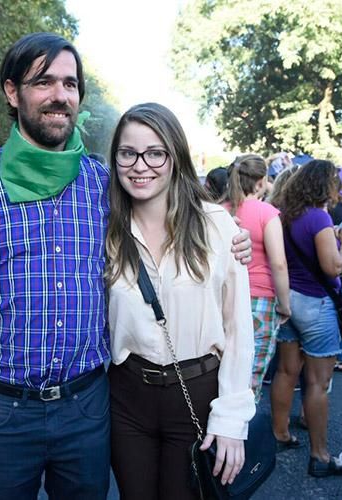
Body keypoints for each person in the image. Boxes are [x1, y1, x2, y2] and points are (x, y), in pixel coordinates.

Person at [0, 33, 252, 500]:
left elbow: (173, 217)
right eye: (44, 82)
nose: (60, 95)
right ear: (12, 92)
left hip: (88, 407)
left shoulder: (104, 185)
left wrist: (232, 240)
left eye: (70, 84)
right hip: (2, 411)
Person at [105, 103, 255, 500]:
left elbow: (239, 329)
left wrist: (231, 418)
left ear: (175, 157)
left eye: (155, 153)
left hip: (197, 394)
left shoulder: (218, 226)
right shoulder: (106, 228)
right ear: (116, 158)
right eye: (128, 153)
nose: (140, 165)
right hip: (126, 397)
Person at [270, 160, 342, 477]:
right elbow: (332, 267)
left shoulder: (286, 214)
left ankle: (280, 433)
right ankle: (320, 455)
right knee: (319, 382)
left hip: (288, 300)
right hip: (316, 305)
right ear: (327, 186)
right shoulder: (319, 216)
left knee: (286, 371)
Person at [221, 153, 291, 402]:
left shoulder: (219, 211)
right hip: (260, 299)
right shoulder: (267, 213)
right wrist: (284, 304)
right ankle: (241, 430)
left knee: (223, 365)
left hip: (223, 297)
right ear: (261, 182)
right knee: (252, 370)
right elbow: (279, 263)